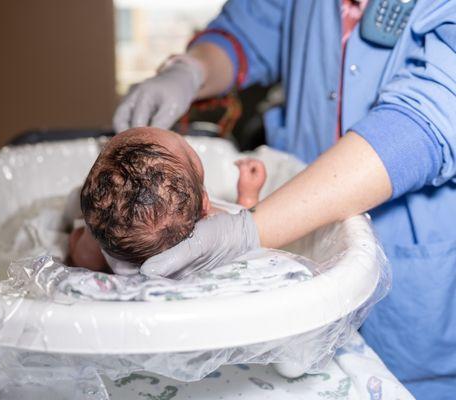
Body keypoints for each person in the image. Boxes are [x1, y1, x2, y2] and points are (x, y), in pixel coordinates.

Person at [112, 1, 456, 398]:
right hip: (290, 299)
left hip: (414, 291)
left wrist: (250, 225)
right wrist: (192, 70)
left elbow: (429, 121)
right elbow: (252, 27)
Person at [68, 127, 265, 274]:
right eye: (186, 148)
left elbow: (82, 259)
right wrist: (248, 196)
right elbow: (248, 233)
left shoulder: (109, 238)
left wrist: (88, 228)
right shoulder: (217, 224)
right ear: (205, 204)